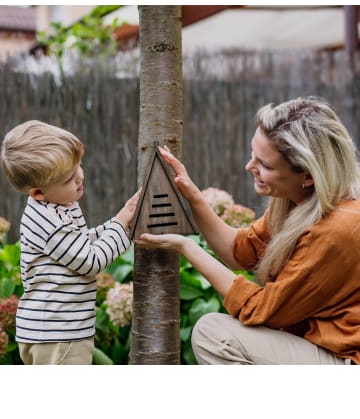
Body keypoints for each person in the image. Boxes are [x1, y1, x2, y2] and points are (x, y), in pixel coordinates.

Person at [136, 97, 360, 365]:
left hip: (345, 359)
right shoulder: (297, 202)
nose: (249, 167)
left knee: (214, 335)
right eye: (253, 155)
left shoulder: (337, 229)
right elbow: (240, 251)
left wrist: (188, 247)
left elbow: (261, 310)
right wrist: (193, 197)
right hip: (317, 345)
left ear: (308, 176)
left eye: (265, 165)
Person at [0, 120, 140, 365]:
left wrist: (123, 229)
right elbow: (90, 261)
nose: (79, 177)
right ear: (38, 192)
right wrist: (121, 221)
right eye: (68, 179)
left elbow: (81, 244)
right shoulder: (49, 220)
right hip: (58, 333)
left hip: (53, 331)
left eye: (79, 167)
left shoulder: (59, 206)